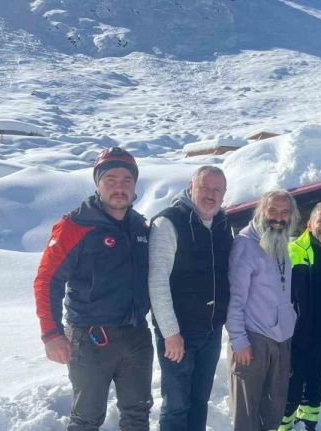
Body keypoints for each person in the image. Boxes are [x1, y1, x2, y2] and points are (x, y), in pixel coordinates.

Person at [33, 147, 153, 431]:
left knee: (137, 413)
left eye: (127, 180)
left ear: (135, 185)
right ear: (98, 183)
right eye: (110, 179)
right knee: (86, 418)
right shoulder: (75, 226)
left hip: (136, 334)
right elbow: (47, 280)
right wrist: (51, 334)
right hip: (91, 338)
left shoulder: (140, 226)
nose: (119, 187)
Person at [148, 166, 233, 431]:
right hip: (179, 332)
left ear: (224, 194)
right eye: (205, 187)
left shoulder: (223, 224)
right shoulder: (169, 223)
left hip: (211, 330)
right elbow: (157, 281)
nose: (211, 195)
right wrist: (170, 333)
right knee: (176, 405)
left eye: (217, 190)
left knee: (199, 401)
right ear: (190, 188)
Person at [226, 189, 300, 431]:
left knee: (272, 415)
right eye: (273, 210)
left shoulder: (280, 242)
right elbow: (234, 298)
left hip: (280, 341)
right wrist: (239, 340)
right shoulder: (245, 245)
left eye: (285, 212)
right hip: (253, 340)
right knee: (247, 418)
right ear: (261, 211)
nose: (279, 217)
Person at [280, 201, 321, 431]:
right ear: (309, 224)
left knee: (315, 385)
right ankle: (283, 426)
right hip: (296, 335)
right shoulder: (293, 250)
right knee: (292, 386)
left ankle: (308, 425)